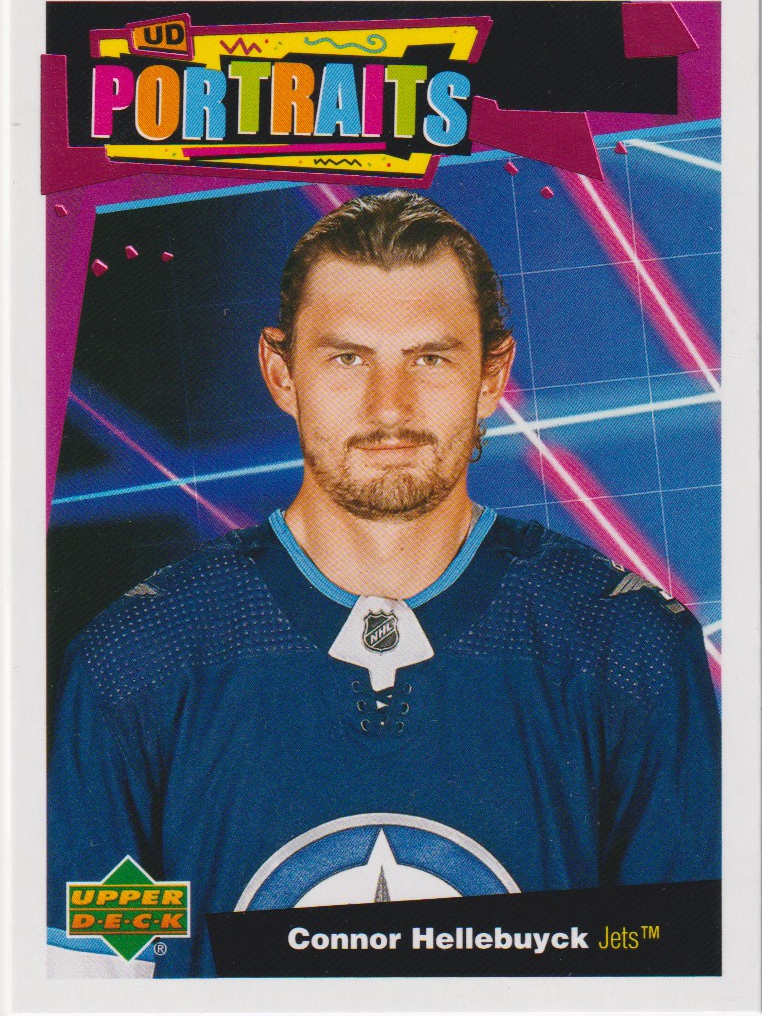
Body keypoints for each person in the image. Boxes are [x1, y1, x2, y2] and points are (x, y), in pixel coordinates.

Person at [48, 190, 720, 979]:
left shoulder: (630, 655)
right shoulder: (136, 666)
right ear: (280, 371)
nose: (389, 406)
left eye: (429, 358)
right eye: (348, 358)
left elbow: (673, 974)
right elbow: (97, 979)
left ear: (492, 374)